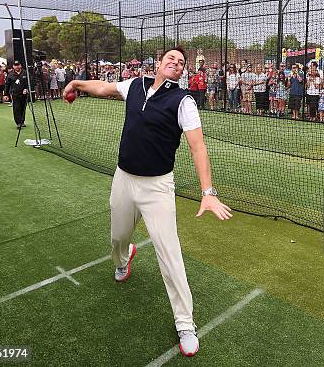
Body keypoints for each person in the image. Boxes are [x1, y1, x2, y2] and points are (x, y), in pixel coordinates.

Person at [62, 47, 231, 357]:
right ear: (159, 62)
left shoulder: (184, 101)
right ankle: (124, 259)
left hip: (157, 188)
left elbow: (198, 148)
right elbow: (103, 87)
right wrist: (76, 84)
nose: (176, 63)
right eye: (171, 58)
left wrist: (208, 192)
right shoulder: (136, 85)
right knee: (118, 237)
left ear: (182, 71)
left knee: (170, 255)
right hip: (123, 178)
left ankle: (185, 323)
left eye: (181, 63)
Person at [3, 61, 30, 129]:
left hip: (24, 94)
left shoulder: (25, 73)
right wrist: (5, 94)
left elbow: (30, 82)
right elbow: (7, 85)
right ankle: (18, 122)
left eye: (18, 65)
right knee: (16, 108)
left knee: (23, 108)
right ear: (13, 66)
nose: (17, 66)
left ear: (20, 65)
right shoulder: (10, 74)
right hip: (15, 94)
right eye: (15, 65)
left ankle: (22, 121)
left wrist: (26, 89)